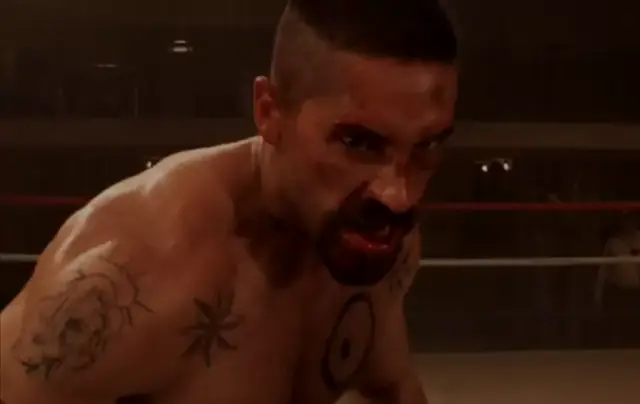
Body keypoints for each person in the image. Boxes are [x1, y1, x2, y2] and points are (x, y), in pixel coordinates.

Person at [0, 0, 458, 403]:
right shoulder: (132, 272)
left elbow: (391, 385)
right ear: (269, 112)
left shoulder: (376, 237)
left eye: (427, 146)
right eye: (358, 142)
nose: (399, 195)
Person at [593, 214, 640, 346]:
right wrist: (598, 295)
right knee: (620, 336)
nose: (628, 223)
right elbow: (603, 271)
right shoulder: (613, 243)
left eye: (631, 218)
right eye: (625, 219)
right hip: (621, 296)